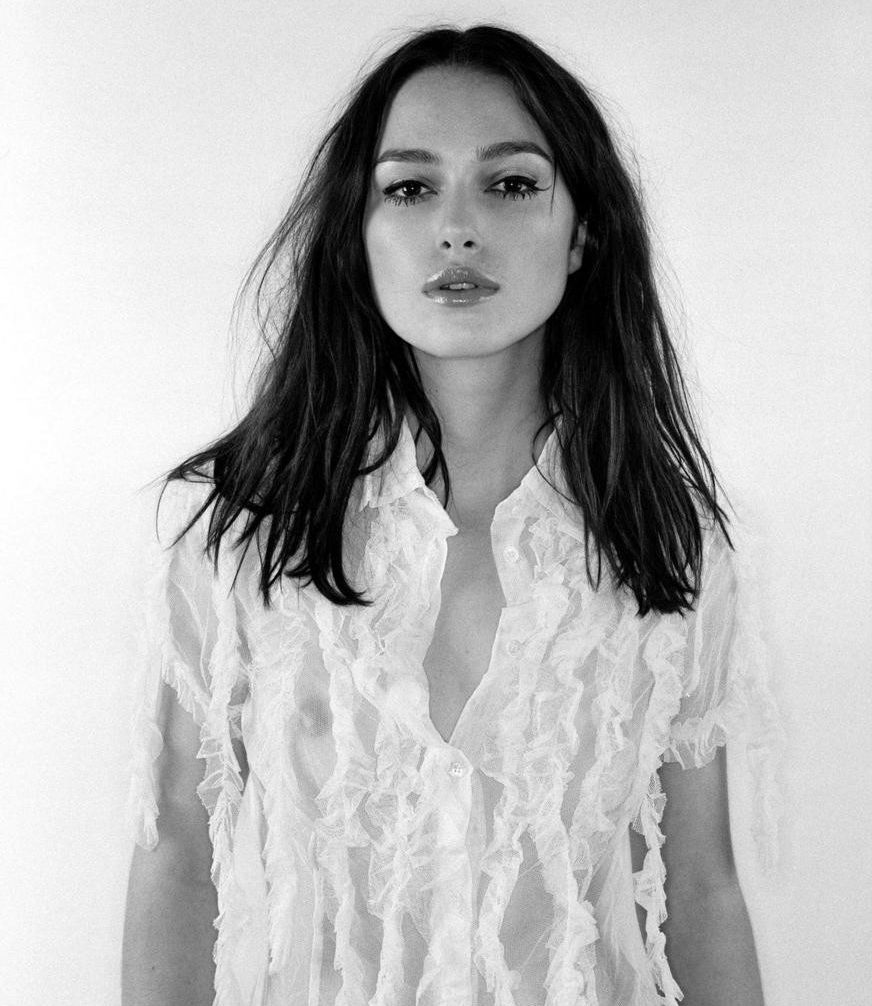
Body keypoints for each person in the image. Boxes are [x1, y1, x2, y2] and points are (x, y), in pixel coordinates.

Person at [121, 22, 785, 1006]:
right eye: (409, 187)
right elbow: (178, 852)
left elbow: (699, 886)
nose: (457, 228)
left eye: (509, 183)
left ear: (583, 233)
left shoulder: (666, 548)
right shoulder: (240, 542)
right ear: (355, 235)